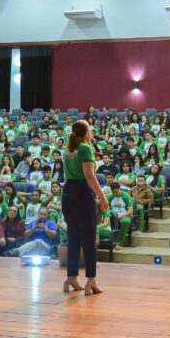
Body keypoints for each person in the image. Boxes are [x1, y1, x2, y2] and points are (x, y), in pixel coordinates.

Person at [62, 120, 109, 295]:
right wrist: (102, 197)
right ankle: (91, 280)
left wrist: (93, 157)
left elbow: (80, 164)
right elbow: (89, 176)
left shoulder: (69, 148)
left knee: (73, 236)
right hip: (82, 192)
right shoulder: (86, 148)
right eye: (90, 129)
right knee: (89, 238)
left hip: (68, 192)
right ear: (86, 132)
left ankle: (71, 277)